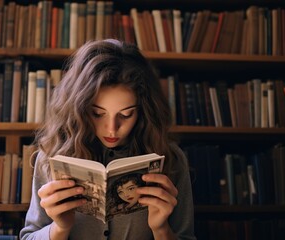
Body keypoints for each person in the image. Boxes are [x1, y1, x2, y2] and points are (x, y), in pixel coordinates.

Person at [20, 39, 196, 240]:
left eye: (126, 114)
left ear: (144, 111)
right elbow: (28, 237)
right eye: (97, 113)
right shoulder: (51, 156)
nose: (112, 129)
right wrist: (59, 228)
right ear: (79, 110)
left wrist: (161, 229)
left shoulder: (171, 158)